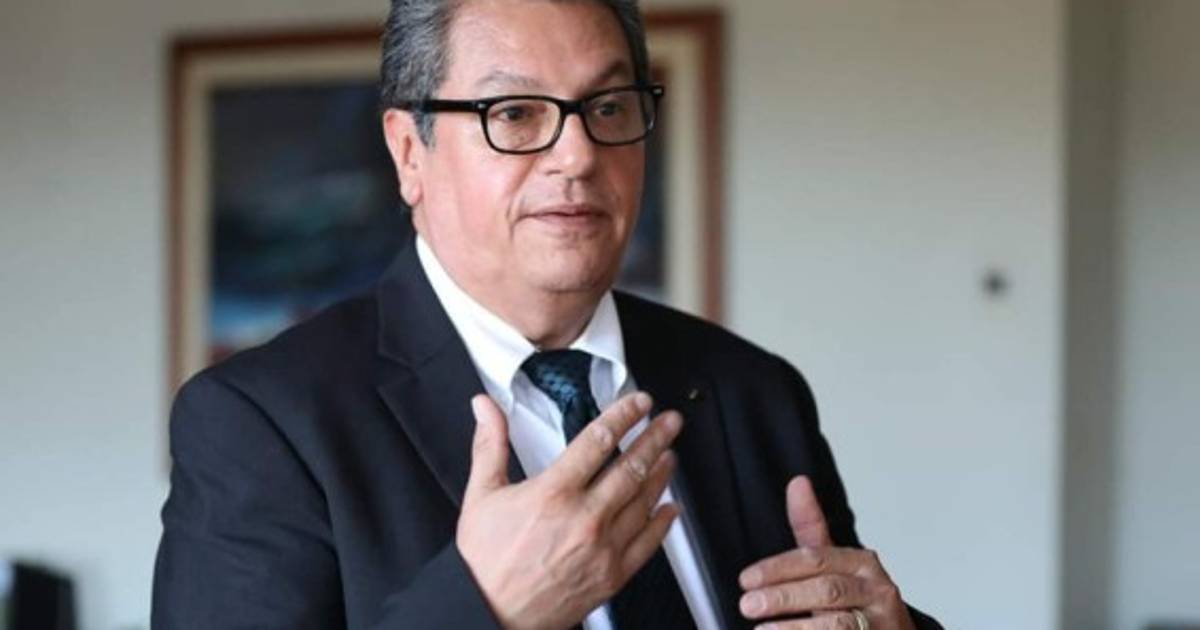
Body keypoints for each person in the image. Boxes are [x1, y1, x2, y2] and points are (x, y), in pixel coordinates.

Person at [152, 1, 942, 629]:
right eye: (514, 113)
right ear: (409, 152)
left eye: (608, 106)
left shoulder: (753, 391)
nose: (578, 155)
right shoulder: (262, 423)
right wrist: (485, 609)